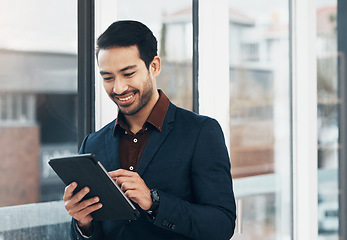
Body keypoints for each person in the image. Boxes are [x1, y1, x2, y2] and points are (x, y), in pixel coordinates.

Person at [63, 20, 236, 240]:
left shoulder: (201, 132)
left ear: (154, 66)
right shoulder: (92, 143)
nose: (118, 88)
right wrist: (83, 224)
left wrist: (154, 202)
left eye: (128, 74)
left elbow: (221, 225)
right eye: (108, 77)